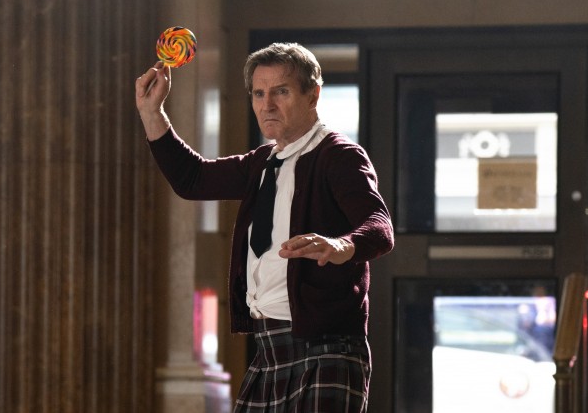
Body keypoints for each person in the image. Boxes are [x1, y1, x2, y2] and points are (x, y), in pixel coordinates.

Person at [135, 42, 394, 412]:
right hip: (267, 347)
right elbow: (192, 179)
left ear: (313, 95)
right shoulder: (260, 163)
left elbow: (379, 226)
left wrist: (342, 246)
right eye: (259, 93)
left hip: (329, 347)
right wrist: (152, 112)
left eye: (281, 91)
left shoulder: (339, 156)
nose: (267, 104)